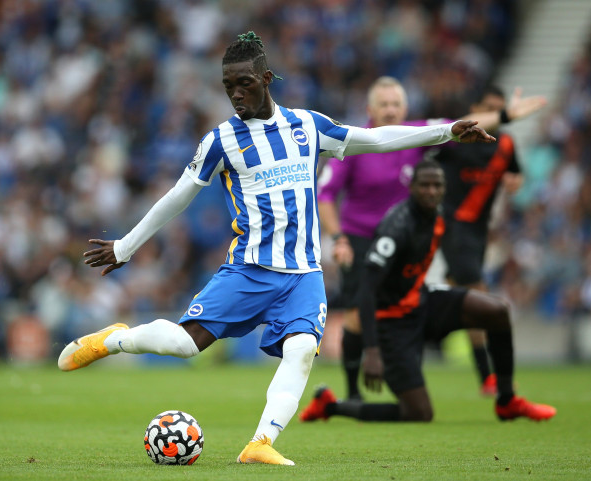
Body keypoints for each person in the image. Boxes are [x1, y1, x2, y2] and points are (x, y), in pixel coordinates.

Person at [57, 32, 495, 466]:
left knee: (302, 349)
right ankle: (113, 339)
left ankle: (260, 442)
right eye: (228, 86)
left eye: (244, 83)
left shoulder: (308, 125)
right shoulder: (221, 141)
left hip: (304, 272)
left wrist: (446, 133)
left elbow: (375, 139)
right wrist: (125, 247)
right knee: (185, 346)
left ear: (266, 78)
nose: (235, 94)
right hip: (249, 268)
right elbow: (176, 197)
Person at [317, 77, 546, 401]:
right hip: (361, 238)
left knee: (409, 306)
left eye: (396, 103)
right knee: (357, 312)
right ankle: (354, 391)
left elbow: (458, 127)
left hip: (406, 242)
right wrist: (338, 238)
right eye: (383, 104)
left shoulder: (415, 134)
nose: (390, 110)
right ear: (369, 109)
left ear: (405, 108)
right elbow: (325, 194)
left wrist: (506, 116)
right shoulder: (353, 143)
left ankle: (411, 379)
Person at [300, 160, 556, 423]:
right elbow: (367, 289)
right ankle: (330, 406)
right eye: (425, 185)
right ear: (412, 187)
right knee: (419, 413)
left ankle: (507, 401)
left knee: (497, 311)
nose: (431, 191)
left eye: (437, 185)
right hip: (393, 322)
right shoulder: (397, 227)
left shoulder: (438, 214)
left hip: (422, 302)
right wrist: (373, 350)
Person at [433, 85, 525, 395]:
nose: (495, 116)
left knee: (460, 297)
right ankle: (489, 375)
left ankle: (428, 332)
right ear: (476, 109)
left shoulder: (506, 144)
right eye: (488, 108)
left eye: (500, 110)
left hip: (479, 229)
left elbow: (515, 173)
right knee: (480, 298)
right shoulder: (457, 139)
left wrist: (514, 181)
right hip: (452, 224)